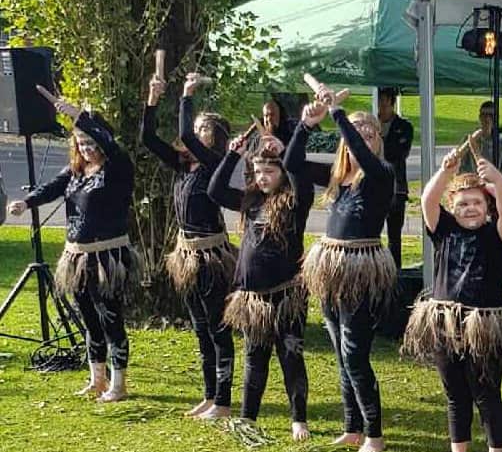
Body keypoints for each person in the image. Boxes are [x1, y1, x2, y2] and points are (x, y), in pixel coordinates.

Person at [9, 98, 140, 403]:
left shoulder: (117, 168)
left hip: (107, 258)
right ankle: (97, 380)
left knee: (110, 319)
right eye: (81, 143)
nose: (86, 149)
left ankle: (119, 385)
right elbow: (52, 188)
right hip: (77, 257)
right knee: (89, 320)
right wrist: (26, 203)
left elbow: (111, 144)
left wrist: (80, 117)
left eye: (91, 142)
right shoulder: (76, 171)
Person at [293, 84, 396, 452]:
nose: (362, 138)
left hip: (360, 270)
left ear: (378, 141)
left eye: (370, 133)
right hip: (331, 269)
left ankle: (374, 435)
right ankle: (352, 427)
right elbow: (292, 164)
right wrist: (306, 125)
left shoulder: (382, 173)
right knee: (340, 351)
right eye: (357, 132)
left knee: (354, 353)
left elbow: (363, 156)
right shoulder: (337, 178)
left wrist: (337, 112)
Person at [403, 150, 502, 452]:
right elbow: (427, 201)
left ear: (487, 207)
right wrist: (445, 172)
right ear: (452, 207)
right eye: (463, 204)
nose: (470, 209)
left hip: (484, 324)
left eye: (477, 203)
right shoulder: (444, 230)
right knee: (455, 395)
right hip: (445, 323)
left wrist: (498, 182)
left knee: (487, 394)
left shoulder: (497, 235)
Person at [139, 73, 237, 418]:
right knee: (200, 327)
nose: (195, 132)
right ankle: (209, 396)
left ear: (216, 138)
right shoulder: (183, 165)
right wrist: (152, 99)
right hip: (187, 255)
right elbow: (148, 138)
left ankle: (223, 401)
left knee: (217, 328)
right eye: (196, 127)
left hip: (211, 257)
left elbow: (184, 135)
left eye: (202, 129)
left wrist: (186, 95)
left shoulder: (215, 164)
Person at [207, 132, 311, 441]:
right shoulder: (250, 201)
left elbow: (302, 180)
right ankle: (248, 417)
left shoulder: (294, 202)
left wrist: (286, 152)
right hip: (252, 299)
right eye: (258, 171)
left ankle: (299, 419)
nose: (263, 177)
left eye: (270, 171)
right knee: (255, 358)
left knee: (290, 356)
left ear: (282, 173)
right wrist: (232, 155)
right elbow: (215, 190)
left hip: (286, 295)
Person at [377, 87, 413, 269]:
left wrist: (381, 141)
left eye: (385, 105)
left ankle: (395, 272)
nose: (381, 110)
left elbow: (400, 154)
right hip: (374, 188)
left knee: (394, 236)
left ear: (392, 104)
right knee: (371, 233)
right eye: (379, 105)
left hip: (396, 188)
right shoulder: (371, 125)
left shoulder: (404, 127)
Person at [459, 101, 502, 182]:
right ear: (479, 117)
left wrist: (496, 184)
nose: (487, 119)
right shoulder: (469, 140)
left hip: (494, 187)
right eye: (484, 115)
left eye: (491, 116)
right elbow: (458, 164)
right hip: (471, 185)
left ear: (496, 118)